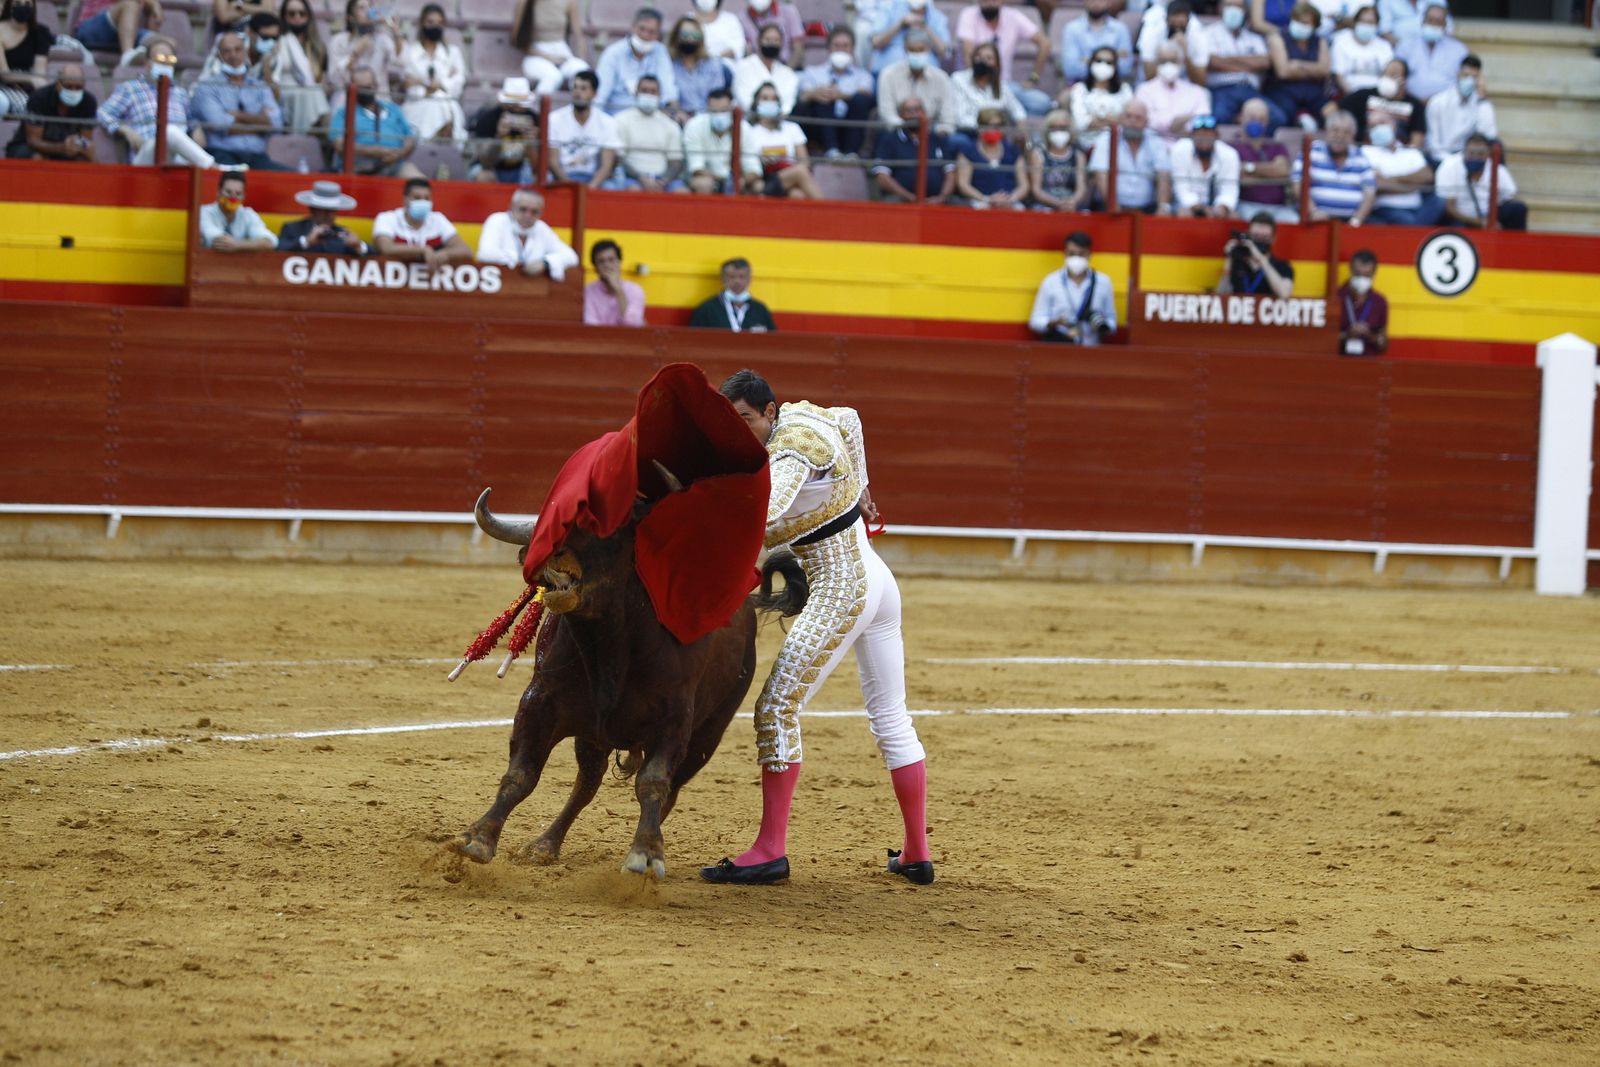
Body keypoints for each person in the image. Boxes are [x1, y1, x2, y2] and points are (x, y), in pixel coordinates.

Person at [700, 369, 932, 888]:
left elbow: (767, 511)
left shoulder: (790, 451)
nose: (740, 431)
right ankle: (917, 853)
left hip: (842, 583)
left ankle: (769, 850)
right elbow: (850, 418)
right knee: (891, 715)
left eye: (746, 421)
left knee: (776, 706)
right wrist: (864, 488)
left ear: (769, 413)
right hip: (876, 576)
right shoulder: (807, 415)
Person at [97, 40, 219, 167]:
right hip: (146, 155)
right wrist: (126, 130)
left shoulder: (180, 93)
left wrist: (196, 127)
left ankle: (220, 169)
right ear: (147, 64)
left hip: (178, 156)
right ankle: (215, 169)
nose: (165, 63)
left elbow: (190, 120)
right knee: (169, 131)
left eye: (170, 59)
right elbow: (103, 113)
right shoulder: (130, 88)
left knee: (174, 134)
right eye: (160, 58)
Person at [192, 32, 290, 170]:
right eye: (227, 51)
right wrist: (261, 121)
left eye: (238, 49)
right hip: (223, 154)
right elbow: (219, 124)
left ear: (245, 52)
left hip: (257, 156)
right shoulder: (206, 87)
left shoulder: (260, 86)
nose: (233, 55)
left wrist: (236, 115)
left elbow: (276, 123)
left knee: (292, 177)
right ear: (219, 56)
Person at [955, 0, 1051, 116]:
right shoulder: (969, 14)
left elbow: (1044, 43)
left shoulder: (1013, 16)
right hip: (973, 84)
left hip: (1003, 84)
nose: (989, 3)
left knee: (1042, 103)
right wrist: (979, 83)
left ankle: (1004, 120)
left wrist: (1033, 78)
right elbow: (968, 55)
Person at [1190, 0, 1277, 126]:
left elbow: (1264, 62)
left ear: (1245, 11)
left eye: (1238, 7)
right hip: (1221, 89)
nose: (1234, 10)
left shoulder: (1254, 37)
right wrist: (1248, 64)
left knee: (1277, 118)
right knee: (1218, 117)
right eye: (1229, 5)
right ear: (1220, 8)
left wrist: (1226, 61)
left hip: (1249, 89)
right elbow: (1213, 62)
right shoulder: (1207, 34)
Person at [794, 25, 875, 158]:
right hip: (821, 128)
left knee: (858, 100)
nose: (841, 50)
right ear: (828, 48)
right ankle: (832, 150)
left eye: (845, 46)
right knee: (823, 98)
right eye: (836, 45)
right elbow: (803, 97)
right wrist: (815, 93)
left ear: (852, 49)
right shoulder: (812, 72)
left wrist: (841, 95)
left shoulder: (863, 75)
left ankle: (851, 153)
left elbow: (865, 94)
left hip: (850, 127)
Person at [328, 67, 421, 177]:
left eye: (369, 86)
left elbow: (409, 137)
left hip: (394, 163)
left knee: (417, 181)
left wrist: (398, 154)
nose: (367, 91)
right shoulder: (343, 112)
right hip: (357, 166)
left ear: (376, 85)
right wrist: (374, 151)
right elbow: (339, 145)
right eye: (361, 88)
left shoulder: (393, 109)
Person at [1028, 231, 1116, 344]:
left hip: (1090, 347)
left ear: (1089, 254)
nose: (1076, 258)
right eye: (1072, 254)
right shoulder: (1050, 281)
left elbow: (1112, 322)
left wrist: (1101, 326)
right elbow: (1036, 321)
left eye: (1081, 254)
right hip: (1060, 345)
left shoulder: (1103, 282)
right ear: (1065, 254)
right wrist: (1053, 323)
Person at [1290, 109, 1375, 225]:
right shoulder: (1311, 151)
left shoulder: (1360, 157)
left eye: (1346, 132)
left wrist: (1357, 220)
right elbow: (1297, 184)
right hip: (1314, 219)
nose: (1340, 136)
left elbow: (1370, 192)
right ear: (1327, 131)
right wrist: (1313, 211)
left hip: (1350, 222)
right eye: (1335, 130)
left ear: (1353, 136)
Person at [1088, 99, 1172, 213]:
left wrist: (1163, 207)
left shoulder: (1155, 141)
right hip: (1110, 208)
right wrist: (1112, 204)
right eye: (1128, 116)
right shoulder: (1106, 138)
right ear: (1121, 118)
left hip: (1147, 209)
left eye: (1138, 118)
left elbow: (1163, 175)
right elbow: (1100, 174)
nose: (1132, 121)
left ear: (1146, 122)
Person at [398, 3, 466, 144]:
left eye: (440, 23)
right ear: (422, 23)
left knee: (441, 101)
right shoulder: (410, 53)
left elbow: (458, 84)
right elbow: (411, 88)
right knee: (438, 103)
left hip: (446, 103)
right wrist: (438, 85)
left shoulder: (453, 53)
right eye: (431, 22)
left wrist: (427, 83)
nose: (436, 26)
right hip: (417, 107)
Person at [740, 80, 821, 198]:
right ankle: (832, 213)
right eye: (765, 98)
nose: (770, 102)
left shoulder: (792, 128)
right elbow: (745, 164)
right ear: (756, 103)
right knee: (799, 173)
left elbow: (805, 161)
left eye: (774, 99)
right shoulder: (749, 131)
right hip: (763, 176)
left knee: (797, 194)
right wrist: (762, 160)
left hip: (790, 174)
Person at [476, 187, 581, 277]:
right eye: (523, 209)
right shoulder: (497, 220)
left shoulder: (541, 228)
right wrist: (524, 262)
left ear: (541, 213)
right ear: (511, 207)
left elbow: (571, 257)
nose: (528, 215)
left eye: (534, 212)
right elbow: (486, 254)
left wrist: (545, 263)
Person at [372, 177, 473, 267]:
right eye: (417, 198)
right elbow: (386, 248)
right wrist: (423, 250)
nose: (423, 202)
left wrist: (445, 254)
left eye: (426, 198)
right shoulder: (387, 218)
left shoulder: (438, 219)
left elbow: (466, 251)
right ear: (405, 200)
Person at [594, 6, 678, 114]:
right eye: (642, 29)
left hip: (652, 117)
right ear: (633, 27)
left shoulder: (661, 52)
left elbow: (669, 91)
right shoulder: (613, 53)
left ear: (657, 34)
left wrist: (674, 112)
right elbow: (600, 95)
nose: (645, 35)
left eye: (651, 32)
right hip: (618, 118)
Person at [546, 69, 622, 188]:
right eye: (575, 87)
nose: (577, 92)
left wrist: (591, 187)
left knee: (613, 185)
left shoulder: (607, 122)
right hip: (563, 176)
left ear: (595, 94)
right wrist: (569, 186)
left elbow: (606, 165)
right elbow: (553, 162)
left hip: (592, 177)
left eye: (583, 88)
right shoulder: (554, 118)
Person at [1361, 112, 1440, 225]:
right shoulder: (1365, 152)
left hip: (1416, 207)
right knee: (1408, 221)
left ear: (1394, 125)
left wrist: (1390, 179)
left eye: (1382, 123)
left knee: (1438, 201)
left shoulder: (1410, 151)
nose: (1378, 128)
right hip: (1385, 208)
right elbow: (1377, 184)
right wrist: (1411, 186)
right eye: (1373, 126)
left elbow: (1427, 176)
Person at [6, 64, 98, 161]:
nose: (73, 91)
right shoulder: (39, 98)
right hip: (28, 147)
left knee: (87, 158)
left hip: (67, 151)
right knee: (37, 158)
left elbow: (85, 140)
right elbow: (33, 141)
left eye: (78, 87)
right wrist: (62, 147)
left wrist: (85, 148)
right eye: (68, 87)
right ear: (58, 84)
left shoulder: (89, 102)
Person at [1435, 132, 1525, 230]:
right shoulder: (1450, 166)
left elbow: (1513, 197)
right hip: (1460, 218)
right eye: (1471, 153)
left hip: (1489, 214)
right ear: (1464, 152)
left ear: (1488, 154)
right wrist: (1479, 222)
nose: (1476, 158)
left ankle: (1514, 243)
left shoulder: (1497, 169)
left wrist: (1492, 219)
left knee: (1517, 209)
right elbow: (1449, 208)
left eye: (1480, 154)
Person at [614, 74, 686, 191]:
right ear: (636, 93)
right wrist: (642, 179)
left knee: (682, 193)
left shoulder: (670, 125)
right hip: (632, 178)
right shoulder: (620, 120)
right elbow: (619, 158)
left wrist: (663, 180)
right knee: (633, 190)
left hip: (662, 178)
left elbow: (675, 161)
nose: (648, 95)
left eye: (653, 92)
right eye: (644, 91)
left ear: (659, 95)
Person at [1265, 3, 1330, 130]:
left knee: (1331, 112)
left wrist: (1297, 65)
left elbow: (1324, 70)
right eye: (1297, 21)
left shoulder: (1320, 41)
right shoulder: (1277, 37)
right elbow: (1283, 71)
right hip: (1283, 91)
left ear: (1314, 26)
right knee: (1284, 113)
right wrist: (1313, 68)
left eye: (1305, 23)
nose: (1300, 25)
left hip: (1313, 92)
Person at [1230, 95, 1295, 221]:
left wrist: (1249, 167)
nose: (1257, 123)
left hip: (1277, 208)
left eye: (1261, 119)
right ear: (1241, 118)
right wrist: (1270, 172)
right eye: (1252, 118)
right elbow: (1240, 178)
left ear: (1267, 121)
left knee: (1293, 220)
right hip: (1245, 205)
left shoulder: (1276, 145)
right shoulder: (1232, 146)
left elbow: (1282, 171)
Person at [876, 28, 953, 130]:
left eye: (921, 50)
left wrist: (939, 131)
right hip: (898, 132)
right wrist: (909, 132)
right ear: (905, 49)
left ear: (928, 50)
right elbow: (887, 114)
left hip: (932, 134)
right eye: (912, 50)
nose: (916, 54)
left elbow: (948, 117)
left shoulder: (941, 78)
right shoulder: (888, 75)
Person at [1136, 40, 1212, 143]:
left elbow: (1203, 121)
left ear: (1181, 63)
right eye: (1163, 61)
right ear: (1157, 63)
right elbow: (1146, 121)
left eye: (1173, 61)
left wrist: (1179, 125)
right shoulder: (1144, 90)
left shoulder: (1197, 92)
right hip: (1154, 144)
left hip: (1187, 145)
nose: (1168, 65)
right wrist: (1178, 121)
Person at [270, 0, 329, 133]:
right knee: (314, 94)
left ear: (308, 16)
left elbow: (322, 77)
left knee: (316, 92)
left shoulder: (317, 46)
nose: (297, 17)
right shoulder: (277, 40)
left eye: (302, 13)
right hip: (285, 92)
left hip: (312, 93)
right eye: (292, 14)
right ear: (284, 16)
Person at [1341, 57, 1426, 147]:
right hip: (1365, 151)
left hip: (1398, 154)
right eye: (1385, 74)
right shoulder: (1364, 96)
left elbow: (1416, 142)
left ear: (1404, 80)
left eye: (1393, 75)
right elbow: (1332, 110)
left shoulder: (1415, 105)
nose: (1388, 78)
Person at [1423, 52, 1494, 159]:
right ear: (1458, 74)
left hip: (1469, 158)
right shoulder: (1437, 102)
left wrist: (1482, 99)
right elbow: (1433, 144)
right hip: (1440, 157)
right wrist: (1452, 163)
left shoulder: (1481, 104)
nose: (1469, 81)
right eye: (1465, 75)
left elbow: (1489, 135)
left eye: (1474, 77)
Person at [468, 76, 538, 183]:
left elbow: (537, 167)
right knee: (485, 176)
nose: (516, 109)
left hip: (520, 168)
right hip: (491, 168)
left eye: (521, 104)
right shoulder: (488, 118)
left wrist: (529, 143)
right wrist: (499, 137)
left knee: (538, 177)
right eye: (512, 105)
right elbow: (485, 162)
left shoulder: (534, 119)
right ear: (504, 104)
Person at [955, 107, 1028, 209]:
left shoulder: (1013, 151)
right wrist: (987, 199)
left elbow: (1024, 185)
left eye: (997, 126)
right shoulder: (968, 151)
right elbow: (963, 185)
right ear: (980, 128)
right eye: (988, 126)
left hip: (1010, 202)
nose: (993, 130)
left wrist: (1010, 199)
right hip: (978, 201)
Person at [511, 0, 587, 97]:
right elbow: (517, 40)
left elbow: (579, 37)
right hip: (535, 55)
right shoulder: (524, 2)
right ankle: (536, 109)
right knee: (553, 77)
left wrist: (581, 59)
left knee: (583, 73)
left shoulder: (569, 2)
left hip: (562, 54)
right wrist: (549, 57)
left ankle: (576, 110)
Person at [1393, 1, 1464, 102]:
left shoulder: (1458, 50)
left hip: (1445, 104)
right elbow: (1397, 77)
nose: (1433, 24)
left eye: (1438, 22)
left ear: (1445, 25)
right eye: (1430, 20)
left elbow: (1464, 79)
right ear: (1422, 21)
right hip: (1411, 103)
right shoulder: (1405, 46)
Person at [327, 0, 401, 95]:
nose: (368, 11)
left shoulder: (383, 39)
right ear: (351, 18)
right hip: (347, 99)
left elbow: (400, 66)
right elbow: (334, 78)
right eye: (362, 8)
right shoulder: (339, 41)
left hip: (377, 99)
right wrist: (355, 54)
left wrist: (396, 32)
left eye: (370, 6)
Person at [1172, 114, 1240, 217]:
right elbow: (1181, 189)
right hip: (1188, 207)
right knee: (1185, 213)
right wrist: (1200, 209)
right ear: (1192, 136)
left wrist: (1221, 207)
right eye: (1199, 134)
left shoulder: (1230, 154)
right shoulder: (1180, 149)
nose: (1203, 138)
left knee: (1234, 216)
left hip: (1217, 209)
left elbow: (1230, 189)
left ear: (1217, 136)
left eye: (1208, 134)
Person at [951, 40, 1024, 136]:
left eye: (988, 58)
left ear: (997, 65)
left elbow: (1018, 111)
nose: (982, 60)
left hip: (995, 137)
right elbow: (959, 118)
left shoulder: (1002, 86)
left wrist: (1021, 131)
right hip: (968, 134)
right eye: (978, 56)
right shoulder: (958, 79)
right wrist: (987, 127)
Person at [276, 179, 369, 253]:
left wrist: (358, 245)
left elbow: (374, 253)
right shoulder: (293, 228)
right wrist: (306, 241)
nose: (328, 215)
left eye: (332, 210)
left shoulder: (341, 233)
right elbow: (278, 248)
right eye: (323, 210)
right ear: (312, 209)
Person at [1216, 210, 1294, 296]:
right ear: (1249, 235)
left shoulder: (1283, 266)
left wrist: (1261, 259)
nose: (1259, 240)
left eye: (1265, 237)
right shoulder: (1237, 263)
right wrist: (1229, 260)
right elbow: (1220, 298)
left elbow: (1284, 293)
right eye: (1255, 236)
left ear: (1273, 238)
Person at [1065, 44, 1131, 140]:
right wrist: (1112, 120)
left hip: (1117, 143)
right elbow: (1081, 123)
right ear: (1091, 63)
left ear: (1115, 66)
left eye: (1109, 62)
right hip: (1088, 143)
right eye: (1099, 61)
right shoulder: (1079, 89)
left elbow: (1128, 121)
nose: (1103, 65)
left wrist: (1098, 117)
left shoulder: (1125, 89)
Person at [668, 14, 730, 117]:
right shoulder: (669, 64)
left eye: (694, 35)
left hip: (708, 118)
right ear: (676, 36)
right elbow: (669, 96)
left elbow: (717, 96)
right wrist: (677, 112)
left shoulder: (713, 64)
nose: (690, 39)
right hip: (678, 118)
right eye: (685, 35)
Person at [688, 257, 775, 331]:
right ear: (723, 279)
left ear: (749, 279)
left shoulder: (760, 310)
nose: (737, 281)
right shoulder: (707, 309)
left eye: (742, 277)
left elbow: (773, 342)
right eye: (732, 277)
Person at [1058, 0, 1132, 85]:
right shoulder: (1072, 29)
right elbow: (1071, 69)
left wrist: (1087, 60)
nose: (1096, 3)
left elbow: (1125, 68)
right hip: (1080, 85)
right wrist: (1111, 60)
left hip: (1114, 87)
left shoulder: (1121, 29)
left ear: (1108, 2)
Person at [1028, 109, 1088, 212]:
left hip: (1072, 204)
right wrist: (1058, 203)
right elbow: (1036, 190)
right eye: (1054, 128)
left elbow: (1081, 188)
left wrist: (1072, 201)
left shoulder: (1078, 155)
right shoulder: (1038, 154)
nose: (1059, 132)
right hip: (1046, 204)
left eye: (1063, 128)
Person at [199, 171, 277, 250]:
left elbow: (269, 241)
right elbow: (218, 240)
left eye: (238, 193)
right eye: (228, 192)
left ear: (243, 196)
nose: (233, 198)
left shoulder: (248, 214)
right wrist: (249, 244)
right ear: (218, 192)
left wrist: (238, 245)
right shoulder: (204, 212)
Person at [870, 0, 950, 76]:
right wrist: (900, 24)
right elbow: (875, 42)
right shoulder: (890, 8)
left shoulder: (936, 16)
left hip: (926, 76)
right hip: (890, 74)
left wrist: (924, 25)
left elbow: (944, 52)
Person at [1, 0, 52, 118]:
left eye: (27, 4)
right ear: (10, 6)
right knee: (29, 108)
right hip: (5, 85)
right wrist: (31, 79)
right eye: (18, 3)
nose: (23, 7)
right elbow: (4, 74)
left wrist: (39, 85)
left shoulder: (40, 32)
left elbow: (39, 71)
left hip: (29, 83)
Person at [732, 22, 797, 115]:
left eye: (776, 40)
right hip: (749, 122)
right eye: (767, 39)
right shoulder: (743, 66)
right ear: (759, 41)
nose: (771, 43)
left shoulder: (789, 74)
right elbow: (743, 99)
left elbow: (787, 105)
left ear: (782, 44)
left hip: (778, 123)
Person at [71, 0, 158, 69]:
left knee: (164, 42)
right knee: (130, 5)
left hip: (128, 31)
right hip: (91, 26)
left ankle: (160, 78)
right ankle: (128, 55)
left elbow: (156, 19)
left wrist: (154, 6)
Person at [683, 86, 736, 192]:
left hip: (734, 180)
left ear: (732, 109)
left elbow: (752, 168)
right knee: (703, 183)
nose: (719, 115)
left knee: (753, 184)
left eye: (724, 110)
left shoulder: (744, 128)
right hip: (707, 179)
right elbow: (697, 168)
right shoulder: (694, 125)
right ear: (707, 109)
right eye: (714, 111)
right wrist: (723, 180)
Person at [583, 238, 646, 326]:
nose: (607, 265)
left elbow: (633, 325)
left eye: (611, 260)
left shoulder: (635, 290)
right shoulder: (587, 291)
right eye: (601, 261)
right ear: (595, 268)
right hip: (598, 339)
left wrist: (618, 291)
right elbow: (591, 325)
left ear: (619, 263)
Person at [1330, 3, 1391, 95]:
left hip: (1377, 96)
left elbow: (1388, 76)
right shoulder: (1341, 41)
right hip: (1349, 95)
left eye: (1370, 22)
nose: (1366, 26)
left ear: (1377, 25)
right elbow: (1339, 76)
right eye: (1362, 21)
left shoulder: (1384, 46)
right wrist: (1356, 98)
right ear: (1355, 22)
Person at [1337, 248, 1387, 356]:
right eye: (1358, 274)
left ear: (1374, 273)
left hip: (1369, 364)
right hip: (1339, 363)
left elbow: (1383, 344)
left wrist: (1369, 334)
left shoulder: (1379, 302)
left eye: (1367, 275)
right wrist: (1348, 334)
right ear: (1350, 270)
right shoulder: (1336, 298)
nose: (1362, 279)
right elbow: (1323, 340)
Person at [1137, 0, 1198, 82]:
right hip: (1153, 85)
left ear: (1188, 22)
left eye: (1182, 23)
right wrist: (1162, 57)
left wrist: (1186, 53)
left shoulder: (1196, 33)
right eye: (1174, 22)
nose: (1178, 27)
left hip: (1183, 86)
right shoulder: (1152, 32)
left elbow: (1199, 81)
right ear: (1166, 19)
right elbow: (1149, 77)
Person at [737, 0, 805, 69]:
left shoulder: (788, 11)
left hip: (787, 66)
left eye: (776, 40)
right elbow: (747, 52)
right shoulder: (743, 17)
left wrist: (786, 73)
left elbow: (798, 50)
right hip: (759, 71)